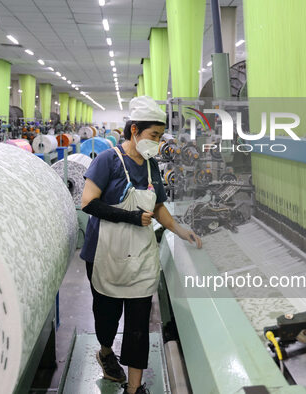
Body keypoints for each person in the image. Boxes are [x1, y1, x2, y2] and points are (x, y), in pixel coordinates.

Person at [80, 96, 202, 394]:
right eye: (153, 135)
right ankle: (106, 351)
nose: (158, 143)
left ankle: (134, 388)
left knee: (138, 325)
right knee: (107, 318)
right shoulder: (107, 160)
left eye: (161, 137)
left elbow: (158, 206)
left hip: (140, 255)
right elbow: (87, 203)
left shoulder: (151, 167)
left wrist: (180, 230)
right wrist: (131, 217)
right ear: (134, 130)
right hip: (103, 254)